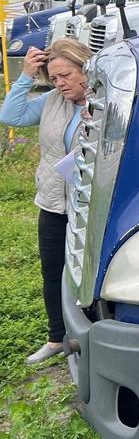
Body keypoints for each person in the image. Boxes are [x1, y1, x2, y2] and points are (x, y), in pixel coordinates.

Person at [0, 40, 91, 364]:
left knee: (91, 271)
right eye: (53, 78)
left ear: (86, 68)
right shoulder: (53, 102)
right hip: (54, 202)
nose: (60, 83)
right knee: (53, 272)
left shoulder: (109, 102)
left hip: (94, 206)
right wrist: (25, 76)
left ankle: (91, 336)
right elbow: (11, 115)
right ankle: (56, 338)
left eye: (65, 75)